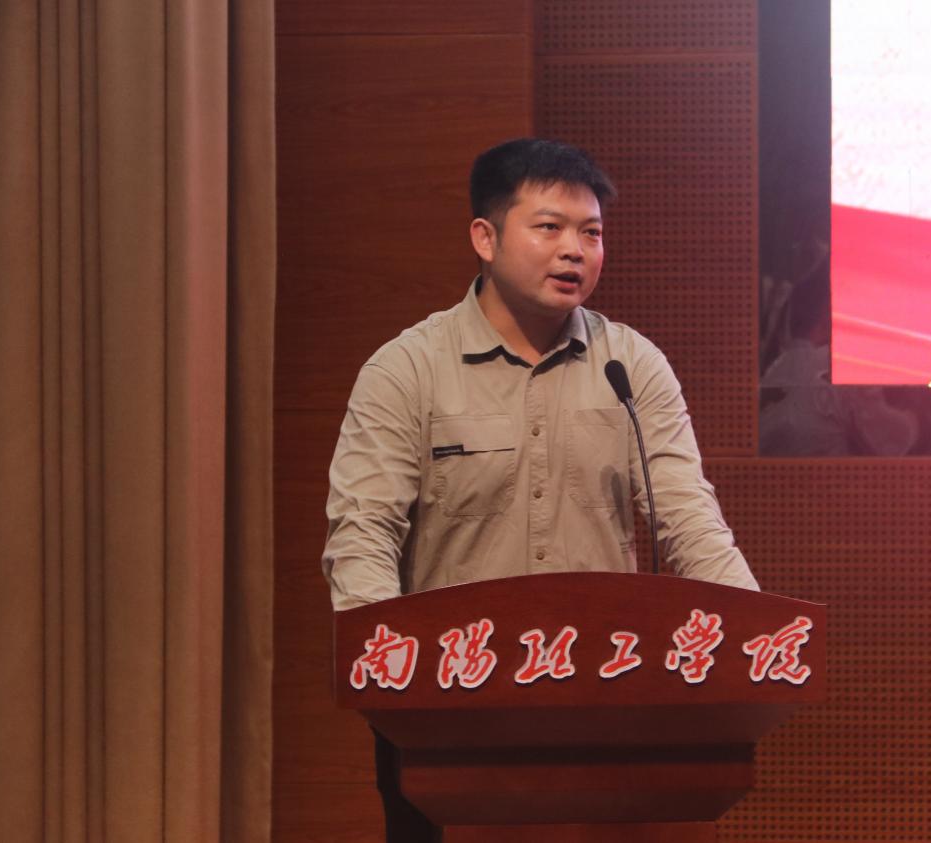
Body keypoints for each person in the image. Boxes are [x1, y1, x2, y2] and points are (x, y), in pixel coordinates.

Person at [321, 138, 758, 841]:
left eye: (591, 233)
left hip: (606, 702)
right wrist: (393, 685)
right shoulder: (406, 370)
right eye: (549, 227)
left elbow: (689, 521)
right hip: (446, 713)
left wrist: (755, 643)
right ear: (485, 237)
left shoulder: (631, 366)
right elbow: (362, 536)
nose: (574, 251)